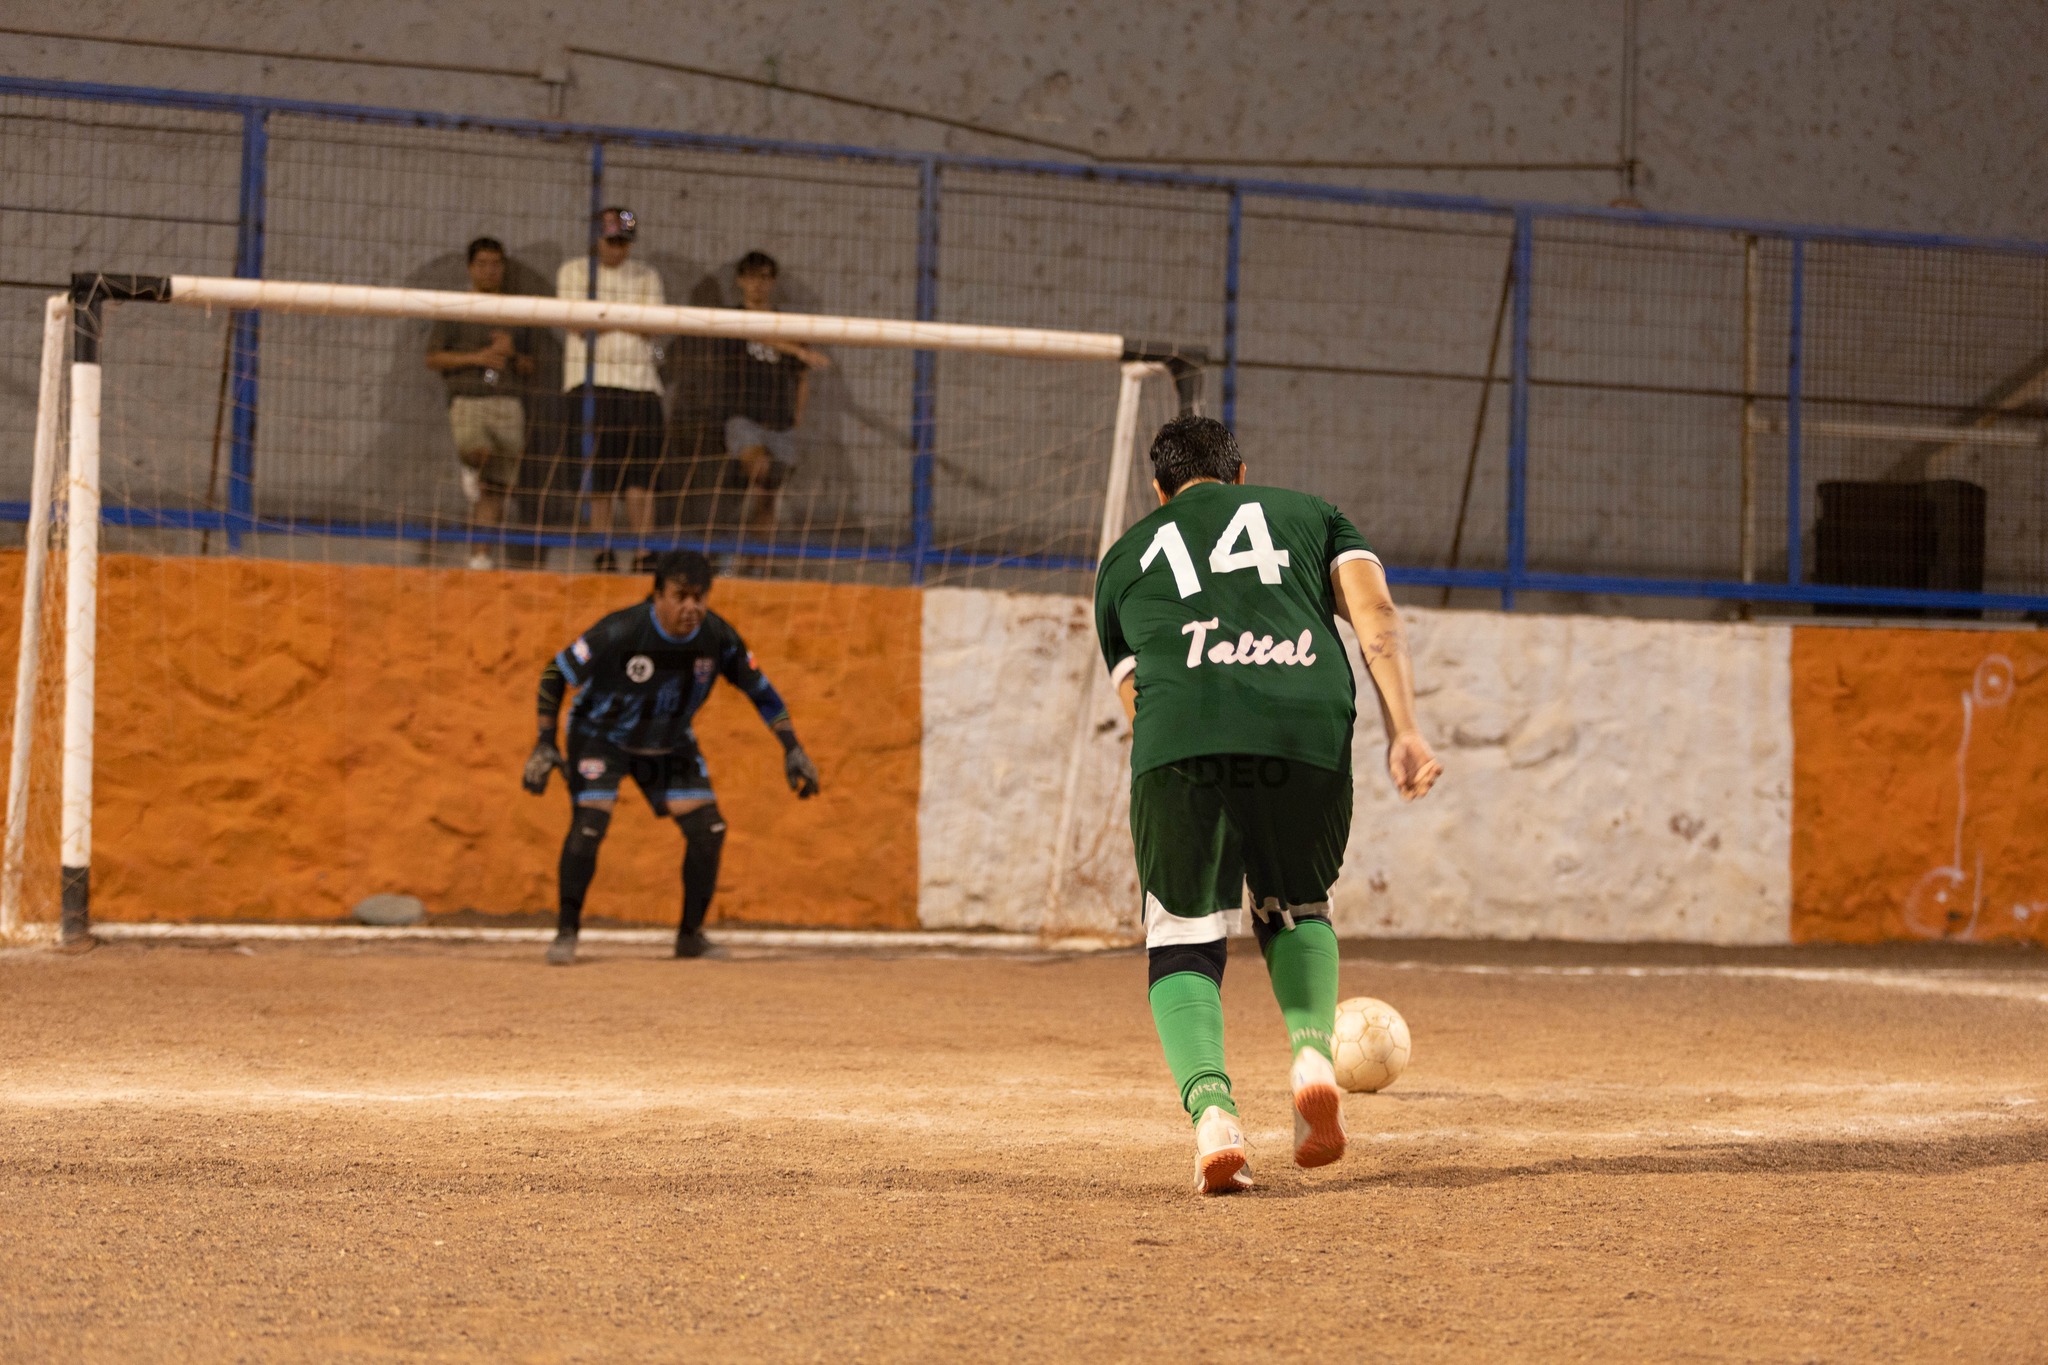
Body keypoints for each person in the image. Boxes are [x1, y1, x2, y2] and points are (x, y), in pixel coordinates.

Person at [1092, 415, 1442, 1193]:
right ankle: (1312, 1051)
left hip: (1182, 730)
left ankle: (1215, 1117)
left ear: (1159, 491)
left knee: (1182, 931)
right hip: (1305, 723)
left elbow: (1136, 698)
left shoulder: (1121, 561)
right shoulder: (1314, 515)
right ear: (1243, 473)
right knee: (1296, 905)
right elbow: (1376, 614)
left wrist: (1186, 767)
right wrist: (1406, 729)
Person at [522, 549, 822, 964]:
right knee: (590, 823)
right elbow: (556, 673)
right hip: (599, 739)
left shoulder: (718, 638)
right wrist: (544, 741)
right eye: (680, 596)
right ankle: (567, 932)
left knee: (709, 830)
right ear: (657, 595)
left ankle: (690, 937)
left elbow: (762, 693)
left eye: (700, 597)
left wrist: (792, 748)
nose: (691, 607)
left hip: (668, 743)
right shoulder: (621, 631)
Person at [556, 206, 667, 572]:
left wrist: (602, 316)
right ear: (596, 239)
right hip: (591, 384)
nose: (617, 249)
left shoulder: (647, 276)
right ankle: (602, 551)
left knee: (641, 477)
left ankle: (643, 552)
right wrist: (626, 317)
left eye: (624, 242)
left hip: (639, 385)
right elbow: (576, 325)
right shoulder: (573, 272)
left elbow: (651, 326)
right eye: (611, 241)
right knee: (598, 474)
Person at [424, 237, 534, 568]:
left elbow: (532, 366)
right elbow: (434, 358)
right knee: (477, 453)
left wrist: (512, 352)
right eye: (483, 264)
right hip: (469, 398)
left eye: (496, 264)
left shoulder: (518, 311)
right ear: (471, 267)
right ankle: (472, 468)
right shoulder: (455, 307)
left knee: (496, 488)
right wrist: (477, 357)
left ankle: (480, 558)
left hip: (508, 402)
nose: (490, 270)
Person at [720, 251, 831, 542]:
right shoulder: (732, 318)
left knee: (768, 495)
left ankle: (758, 559)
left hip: (780, 422)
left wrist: (798, 415)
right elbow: (755, 333)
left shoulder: (787, 323)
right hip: (745, 417)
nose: (758, 284)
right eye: (752, 277)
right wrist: (797, 349)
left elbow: (802, 376)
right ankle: (731, 547)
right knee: (760, 469)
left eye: (765, 278)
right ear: (741, 280)